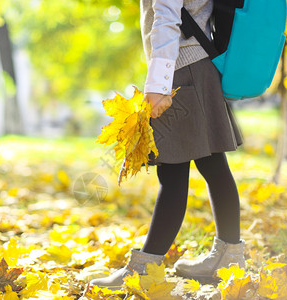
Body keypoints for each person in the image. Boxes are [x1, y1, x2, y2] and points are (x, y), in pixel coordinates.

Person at [89, 0, 246, 290]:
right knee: (213, 166)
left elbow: (166, 18)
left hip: (181, 71)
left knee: (173, 174)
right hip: (198, 67)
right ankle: (230, 256)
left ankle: (144, 272)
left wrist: (159, 85)